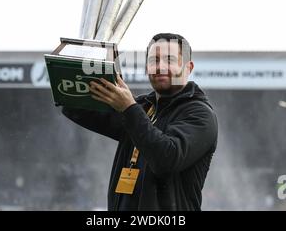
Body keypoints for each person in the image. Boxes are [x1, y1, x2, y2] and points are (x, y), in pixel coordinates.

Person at [62, 33, 218, 211]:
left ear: (188, 67)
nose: (160, 67)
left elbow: (165, 159)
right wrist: (74, 71)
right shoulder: (142, 108)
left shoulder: (200, 114)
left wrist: (129, 108)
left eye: (170, 59)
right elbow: (78, 109)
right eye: (153, 60)